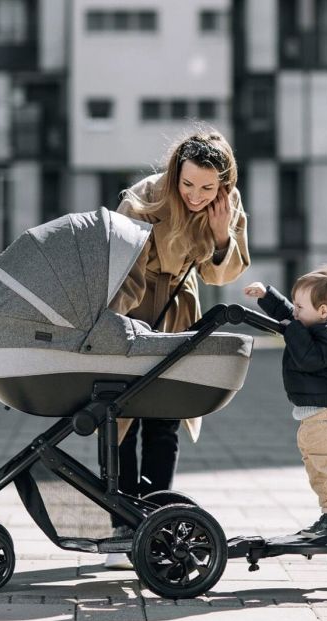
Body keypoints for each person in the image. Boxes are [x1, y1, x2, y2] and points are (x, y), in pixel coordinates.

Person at [105, 130, 250, 567]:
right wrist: (122, 328)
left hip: (177, 311)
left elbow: (218, 276)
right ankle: (121, 526)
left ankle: (157, 524)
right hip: (128, 303)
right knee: (120, 417)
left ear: (222, 183)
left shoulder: (227, 204)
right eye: (188, 184)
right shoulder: (144, 198)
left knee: (165, 416)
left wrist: (223, 235)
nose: (195, 195)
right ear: (175, 173)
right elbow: (118, 264)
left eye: (207, 187)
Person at [243, 265, 327, 539]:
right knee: (320, 471)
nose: (295, 312)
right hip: (316, 418)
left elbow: (307, 356)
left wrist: (291, 329)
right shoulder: (317, 327)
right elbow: (293, 319)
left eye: (300, 307)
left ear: (323, 311)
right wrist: (268, 296)